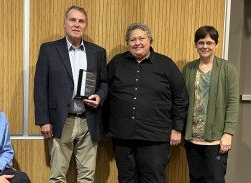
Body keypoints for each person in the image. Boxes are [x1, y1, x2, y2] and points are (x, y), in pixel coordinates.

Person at [106, 23, 189, 183]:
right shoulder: (117, 63)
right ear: (127, 42)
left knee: (153, 179)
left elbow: (181, 97)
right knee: (126, 179)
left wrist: (177, 128)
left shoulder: (166, 64)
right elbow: (104, 92)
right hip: (123, 135)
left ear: (150, 40)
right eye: (132, 39)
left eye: (141, 38)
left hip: (155, 137)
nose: (137, 43)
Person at [34, 5, 108, 183]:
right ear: (65, 23)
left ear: (86, 25)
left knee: (87, 176)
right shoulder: (49, 50)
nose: (77, 24)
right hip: (61, 119)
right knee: (58, 176)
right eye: (72, 20)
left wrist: (99, 96)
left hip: (88, 119)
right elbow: (40, 86)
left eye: (81, 21)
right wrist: (44, 120)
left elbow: (104, 83)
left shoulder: (97, 52)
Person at [182, 25, 239, 183]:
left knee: (215, 178)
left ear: (216, 44)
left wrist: (228, 133)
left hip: (216, 139)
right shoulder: (188, 69)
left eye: (209, 43)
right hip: (192, 138)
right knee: (196, 178)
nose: (205, 46)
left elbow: (233, 103)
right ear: (195, 44)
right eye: (201, 42)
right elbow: (182, 101)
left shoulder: (228, 69)